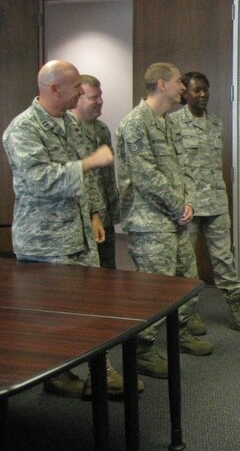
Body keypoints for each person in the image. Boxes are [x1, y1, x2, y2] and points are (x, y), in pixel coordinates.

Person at [2, 60, 136, 399]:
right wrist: (90, 162)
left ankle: (99, 373)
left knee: (90, 311)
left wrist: (92, 213)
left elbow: (84, 182)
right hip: (46, 243)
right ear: (54, 89)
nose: (80, 91)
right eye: (75, 86)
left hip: (80, 236)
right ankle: (58, 377)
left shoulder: (71, 125)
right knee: (53, 320)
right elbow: (40, 180)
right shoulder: (23, 129)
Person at [116, 62, 214, 379]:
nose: (183, 88)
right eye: (178, 83)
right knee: (153, 289)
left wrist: (187, 203)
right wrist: (176, 205)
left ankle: (179, 333)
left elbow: (180, 169)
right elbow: (146, 176)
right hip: (150, 222)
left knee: (186, 281)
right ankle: (142, 351)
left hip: (176, 218)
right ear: (161, 84)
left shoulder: (169, 124)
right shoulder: (135, 124)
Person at [171, 71, 240, 336]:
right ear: (184, 93)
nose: (202, 95)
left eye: (205, 90)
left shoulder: (217, 123)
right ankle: (187, 314)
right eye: (196, 90)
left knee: (224, 260)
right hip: (188, 206)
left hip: (217, 203)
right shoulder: (172, 124)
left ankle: (236, 311)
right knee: (186, 263)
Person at [71, 74, 120, 269]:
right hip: (82, 218)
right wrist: (93, 213)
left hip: (106, 215)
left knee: (108, 271)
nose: (100, 101)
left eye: (101, 96)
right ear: (77, 99)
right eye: (93, 97)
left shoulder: (101, 129)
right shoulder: (69, 130)